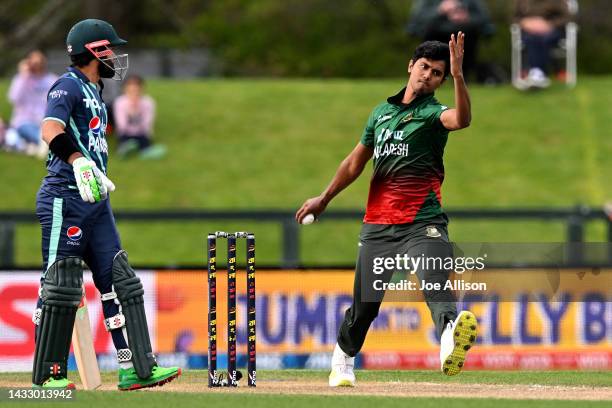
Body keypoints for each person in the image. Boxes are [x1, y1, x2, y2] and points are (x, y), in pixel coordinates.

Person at [296, 33, 478, 387]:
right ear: (411, 67)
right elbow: (354, 163)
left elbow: (462, 120)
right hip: (378, 225)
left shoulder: (433, 114)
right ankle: (343, 362)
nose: (428, 75)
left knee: (434, 283)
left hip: (423, 222)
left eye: (437, 73)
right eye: (424, 67)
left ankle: (448, 341)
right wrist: (324, 197)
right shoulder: (380, 113)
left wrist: (459, 76)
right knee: (366, 306)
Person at [32, 18, 181, 390]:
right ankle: (47, 375)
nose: (115, 55)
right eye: (109, 48)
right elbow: (50, 129)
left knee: (119, 281)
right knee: (60, 284)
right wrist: (77, 161)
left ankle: (135, 368)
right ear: (93, 52)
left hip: (96, 201)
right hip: (65, 196)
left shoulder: (95, 90)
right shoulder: (66, 86)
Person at [406, 0, 495, 83]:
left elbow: (484, 20)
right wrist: (440, 10)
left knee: (466, 37)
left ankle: (462, 76)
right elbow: (417, 20)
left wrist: (467, 17)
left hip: (464, 36)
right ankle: (431, 73)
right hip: (435, 35)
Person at [6, 50, 57, 157]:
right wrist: (24, 76)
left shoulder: (52, 80)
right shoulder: (21, 79)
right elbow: (13, 98)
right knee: (26, 128)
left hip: (45, 121)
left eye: (39, 63)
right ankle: (45, 142)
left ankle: (42, 143)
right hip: (24, 121)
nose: (36, 66)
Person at [514, 0, 571, 89]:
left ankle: (537, 73)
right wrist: (525, 22)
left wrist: (549, 24)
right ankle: (537, 74)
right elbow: (514, 17)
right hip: (529, 32)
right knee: (530, 39)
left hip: (552, 31)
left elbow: (567, 17)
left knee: (544, 39)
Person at [113, 75, 166, 159]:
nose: (134, 93)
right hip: (125, 133)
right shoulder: (120, 102)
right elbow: (122, 125)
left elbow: (147, 125)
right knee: (124, 140)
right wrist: (130, 113)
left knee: (144, 140)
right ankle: (126, 149)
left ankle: (144, 151)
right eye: (130, 90)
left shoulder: (148, 102)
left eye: (136, 90)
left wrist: (137, 111)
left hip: (142, 133)